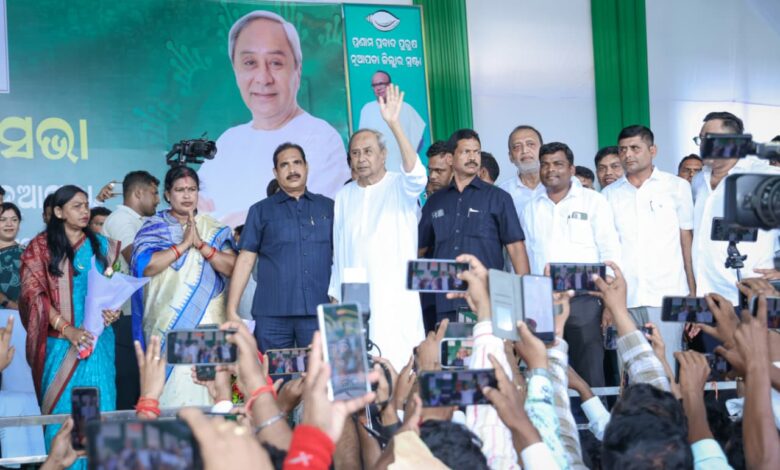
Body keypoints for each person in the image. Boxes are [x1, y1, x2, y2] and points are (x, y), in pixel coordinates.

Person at [197, 10, 349, 226]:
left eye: (276, 63)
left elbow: (313, 218)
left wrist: (245, 220)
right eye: (250, 63)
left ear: (297, 70)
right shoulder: (228, 141)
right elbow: (197, 210)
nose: (263, 78)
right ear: (235, 71)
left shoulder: (321, 139)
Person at [18, 185, 122, 457]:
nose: (84, 211)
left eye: (86, 205)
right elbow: (33, 296)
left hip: (98, 344)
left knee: (99, 412)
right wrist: (68, 329)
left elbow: (114, 290)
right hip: (60, 346)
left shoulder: (102, 246)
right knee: (65, 417)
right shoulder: (40, 247)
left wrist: (114, 311)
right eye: (77, 206)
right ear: (58, 211)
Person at [328, 84, 427, 370]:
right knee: (355, 375)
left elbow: (417, 176)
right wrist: (335, 295)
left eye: (368, 151)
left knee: (399, 369)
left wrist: (394, 124)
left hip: (394, 298)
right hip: (353, 301)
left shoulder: (400, 186)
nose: (361, 158)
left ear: (383, 154)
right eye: (355, 153)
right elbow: (339, 250)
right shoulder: (344, 195)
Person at [131, 166, 236, 406]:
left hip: (210, 325)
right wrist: (183, 245)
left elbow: (232, 267)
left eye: (192, 189)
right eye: (180, 190)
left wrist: (201, 245)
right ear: (168, 194)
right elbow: (146, 266)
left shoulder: (214, 228)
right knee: (173, 393)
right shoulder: (153, 228)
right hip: (166, 326)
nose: (187, 195)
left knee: (211, 393)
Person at [521, 142, 621, 386]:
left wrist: (610, 303)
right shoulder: (531, 207)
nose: (550, 170)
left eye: (558, 164)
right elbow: (526, 257)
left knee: (590, 372)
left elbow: (610, 251)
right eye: (545, 164)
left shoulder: (593, 201)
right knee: (545, 370)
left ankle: (594, 412)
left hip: (585, 300)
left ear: (571, 169)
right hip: (542, 301)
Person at [602, 125, 695, 367]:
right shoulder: (609, 194)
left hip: (669, 295)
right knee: (630, 371)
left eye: (635, 148)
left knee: (668, 368)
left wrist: (693, 295)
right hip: (625, 298)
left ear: (653, 150)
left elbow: (686, 242)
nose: (628, 155)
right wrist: (609, 303)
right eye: (623, 149)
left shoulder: (677, 187)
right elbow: (608, 250)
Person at [227, 142, 333, 351]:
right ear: (275, 172)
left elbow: (342, 256)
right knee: (271, 372)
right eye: (284, 165)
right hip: (272, 315)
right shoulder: (260, 211)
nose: (292, 170)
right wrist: (231, 309)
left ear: (306, 167)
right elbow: (245, 260)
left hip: (319, 311)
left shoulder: (328, 208)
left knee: (319, 370)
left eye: (297, 163)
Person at [419, 129, 529, 321]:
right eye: (466, 152)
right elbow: (420, 250)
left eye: (476, 152)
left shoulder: (498, 198)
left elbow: (516, 249)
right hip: (445, 300)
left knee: (488, 341)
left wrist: (526, 297)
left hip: (487, 299)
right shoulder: (435, 202)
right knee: (446, 341)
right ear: (450, 158)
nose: (472, 157)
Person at [691, 111, 780, 304]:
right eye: (701, 139)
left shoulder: (765, 176)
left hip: (751, 297)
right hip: (706, 296)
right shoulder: (698, 180)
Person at [102, 170, 160, 410]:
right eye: (154, 193)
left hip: (140, 314)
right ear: (138, 193)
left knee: (143, 388)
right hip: (124, 316)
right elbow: (137, 260)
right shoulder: (121, 220)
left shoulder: (141, 221)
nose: (158, 199)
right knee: (129, 389)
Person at [358, 70, 426, 174]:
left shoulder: (406, 108)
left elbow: (419, 140)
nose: (378, 88)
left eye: (381, 84)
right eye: (374, 85)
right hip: (375, 172)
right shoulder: (366, 109)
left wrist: (407, 160)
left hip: (401, 170)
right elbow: (361, 142)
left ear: (389, 85)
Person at [498, 125, 546, 218]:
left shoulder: (560, 186)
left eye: (531, 144)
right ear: (511, 157)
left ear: (543, 151)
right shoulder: (502, 192)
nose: (525, 150)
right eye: (517, 147)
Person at [0, 203, 23, 310]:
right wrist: (10, 304)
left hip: (26, 316)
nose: (9, 224)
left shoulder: (29, 253)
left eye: (14, 220)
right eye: (2, 220)